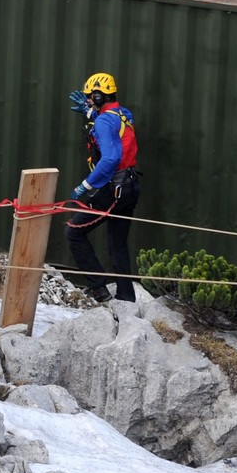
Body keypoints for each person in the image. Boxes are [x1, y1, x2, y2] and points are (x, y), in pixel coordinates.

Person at [66, 72, 141, 303]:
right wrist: (90, 113)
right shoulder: (123, 114)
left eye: (91, 96)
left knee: (74, 233)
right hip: (131, 186)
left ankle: (99, 290)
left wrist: (86, 185)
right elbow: (112, 123)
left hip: (114, 189)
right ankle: (126, 298)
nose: (87, 99)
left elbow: (110, 159)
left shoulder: (102, 121)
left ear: (100, 96)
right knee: (117, 242)